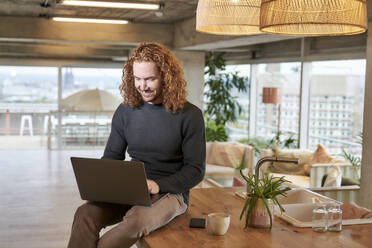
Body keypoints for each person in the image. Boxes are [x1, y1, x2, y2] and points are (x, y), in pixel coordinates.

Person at [67, 42, 206, 248]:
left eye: (150, 79)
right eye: (138, 79)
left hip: (171, 193)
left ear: (167, 77)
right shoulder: (125, 111)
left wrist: (158, 185)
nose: (143, 86)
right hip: (129, 188)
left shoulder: (190, 115)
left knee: (137, 221)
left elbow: (196, 170)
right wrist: (102, 186)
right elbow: (112, 157)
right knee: (85, 213)